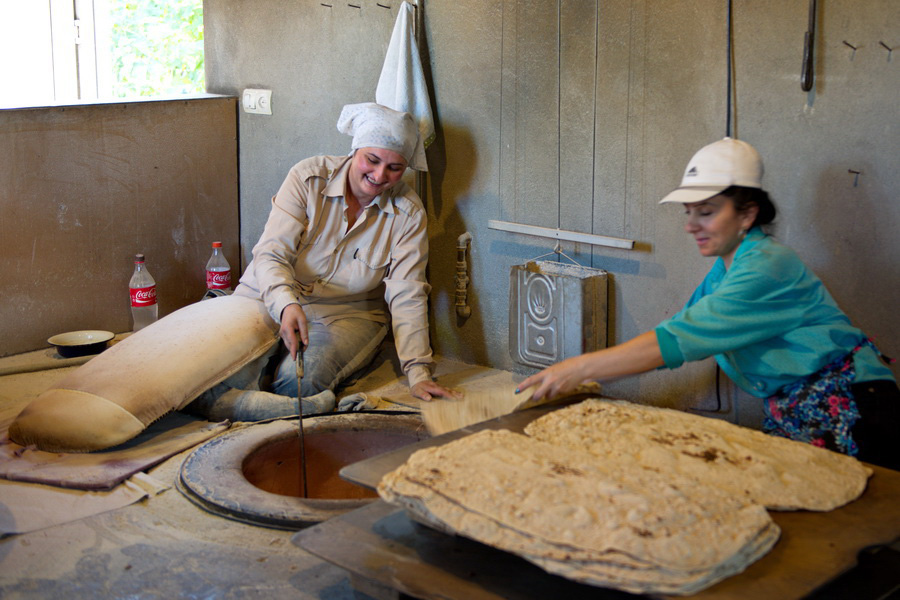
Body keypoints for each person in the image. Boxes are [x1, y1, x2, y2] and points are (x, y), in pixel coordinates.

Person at [516, 138, 898, 470]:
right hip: (796, 411)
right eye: (689, 213)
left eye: (707, 212)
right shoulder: (724, 271)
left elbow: (674, 343)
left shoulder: (767, 267)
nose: (691, 225)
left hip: (854, 408)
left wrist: (578, 368)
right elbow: (674, 334)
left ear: (747, 213)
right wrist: (581, 376)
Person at [189, 102, 457, 421]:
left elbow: (407, 293)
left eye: (394, 168)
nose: (379, 175)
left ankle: (293, 401)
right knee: (206, 376)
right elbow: (271, 255)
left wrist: (418, 372)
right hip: (269, 293)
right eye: (371, 160)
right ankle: (300, 404)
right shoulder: (307, 178)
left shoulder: (408, 214)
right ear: (354, 150)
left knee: (297, 382)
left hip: (348, 312)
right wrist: (287, 304)